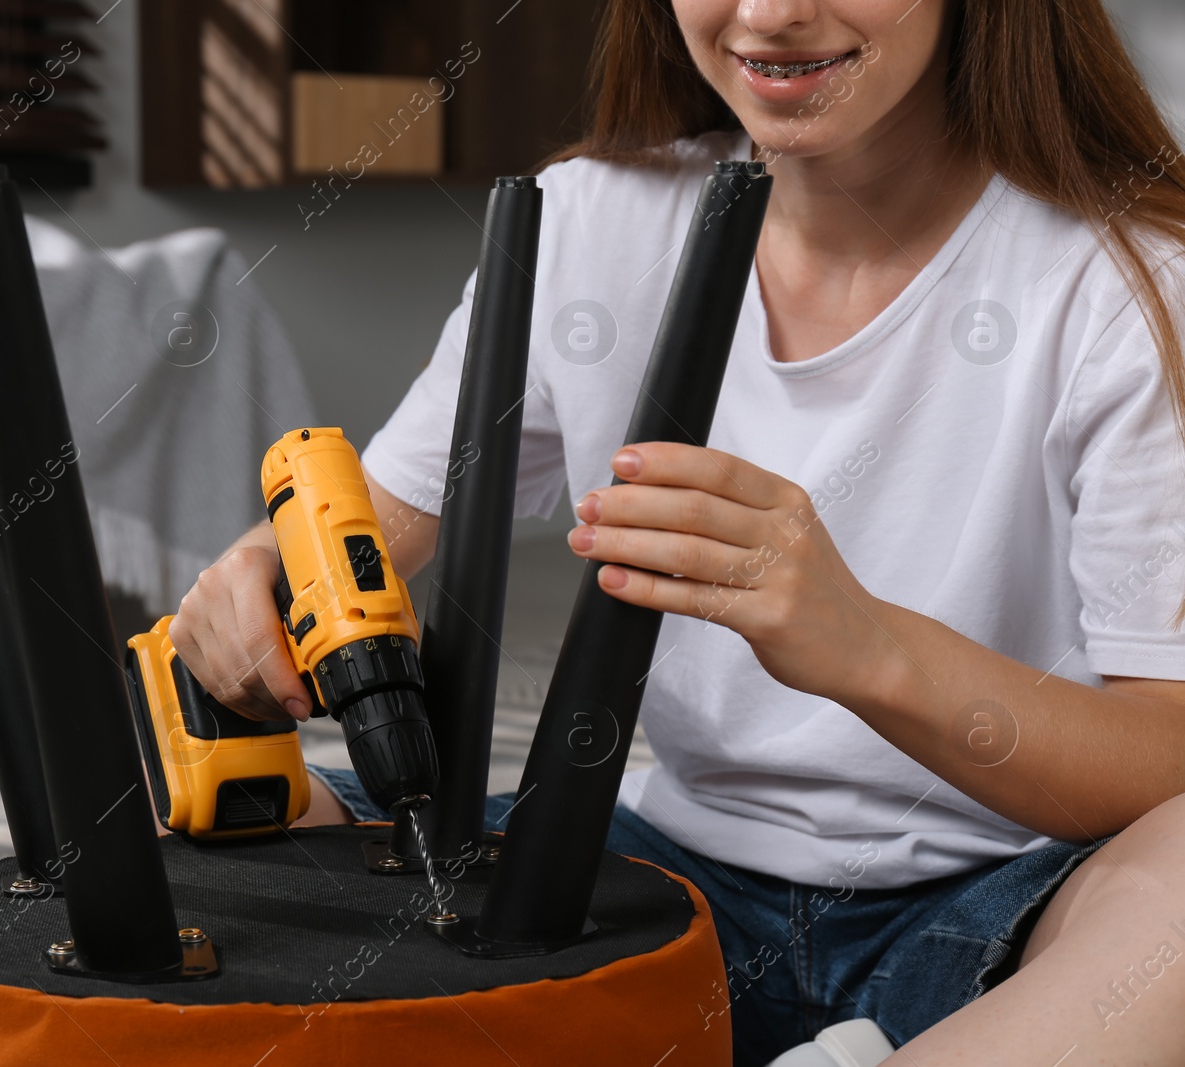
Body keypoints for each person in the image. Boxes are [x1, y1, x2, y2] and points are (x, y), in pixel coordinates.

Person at [170, 1, 1185, 1063]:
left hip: (1000, 900)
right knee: (197, 821)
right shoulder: (588, 220)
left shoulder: (1131, 279)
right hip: (652, 869)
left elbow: (1161, 748)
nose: (770, 14)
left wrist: (866, 644)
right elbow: (372, 524)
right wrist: (251, 576)